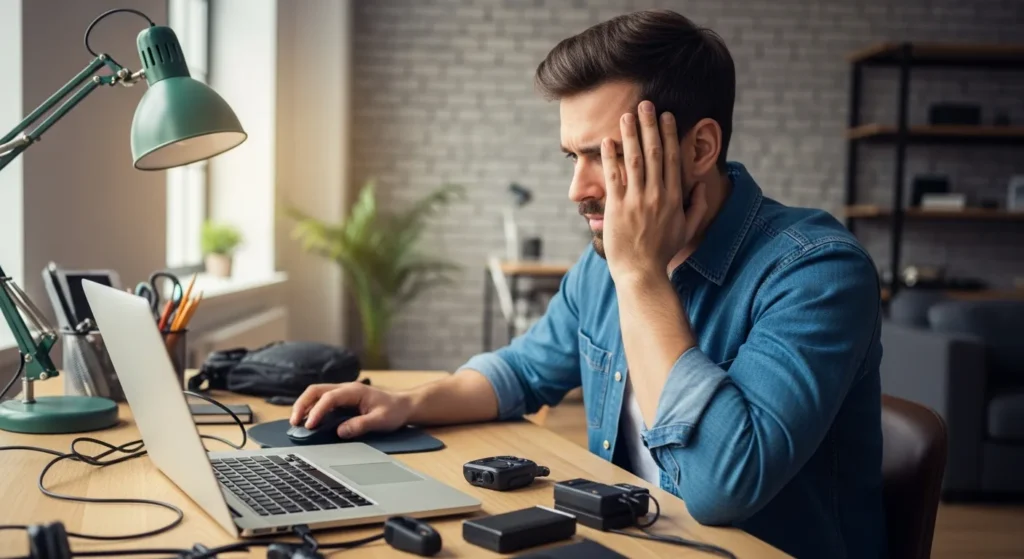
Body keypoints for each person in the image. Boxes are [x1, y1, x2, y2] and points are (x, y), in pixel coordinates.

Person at [290, 9, 886, 558]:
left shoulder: (815, 273)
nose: (578, 189)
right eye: (571, 157)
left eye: (606, 154)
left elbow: (722, 488)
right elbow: (523, 371)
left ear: (700, 147)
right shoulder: (603, 267)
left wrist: (641, 276)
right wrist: (408, 403)